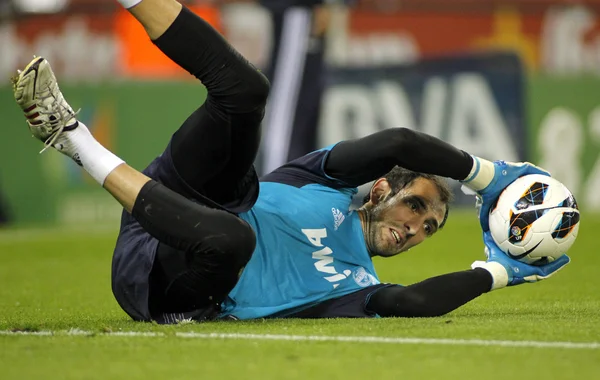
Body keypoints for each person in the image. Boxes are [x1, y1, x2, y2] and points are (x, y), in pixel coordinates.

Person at [12, 0, 570, 324]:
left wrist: (504, 271)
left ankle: (70, 136)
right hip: (176, 204)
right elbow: (400, 138)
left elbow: (416, 301)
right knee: (246, 90)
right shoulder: (321, 181)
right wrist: (490, 175)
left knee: (232, 239)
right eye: (416, 207)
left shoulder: (358, 284)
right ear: (379, 190)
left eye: (429, 228)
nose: (416, 229)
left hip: (172, 284)